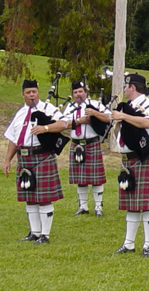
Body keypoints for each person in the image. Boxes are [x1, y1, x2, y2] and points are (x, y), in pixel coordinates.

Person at [3, 79, 67, 244]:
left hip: (42, 156)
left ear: (38, 93)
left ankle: (45, 235)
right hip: (24, 157)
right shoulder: (19, 113)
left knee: (44, 197)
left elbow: (63, 124)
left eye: (34, 92)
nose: (31, 95)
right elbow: (13, 138)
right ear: (23, 95)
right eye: (28, 92)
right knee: (29, 196)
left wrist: (45, 128)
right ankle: (35, 232)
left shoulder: (48, 109)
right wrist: (7, 160)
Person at [112, 73, 149, 257]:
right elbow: (119, 135)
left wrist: (124, 116)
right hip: (128, 160)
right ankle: (128, 243)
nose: (124, 90)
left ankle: (147, 244)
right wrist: (118, 124)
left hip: (143, 158)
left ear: (132, 87)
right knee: (132, 204)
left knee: (147, 205)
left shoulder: (148, 104)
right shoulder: (128, 107)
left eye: (125, 86)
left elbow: (146, 122)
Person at [61, 81, 110, 217]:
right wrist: (78, 121)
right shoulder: (69, 108)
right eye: (75, 92)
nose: (78, 95)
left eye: (80, 91)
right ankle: (83, 207)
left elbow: (108, 118)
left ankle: (98, 206)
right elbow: (62, 124)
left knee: (96, 178)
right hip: (76, 144)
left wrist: (94, 114)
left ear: (86, 92)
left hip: (91, 143)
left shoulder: (95, 105)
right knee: (80, 178)